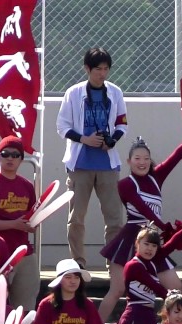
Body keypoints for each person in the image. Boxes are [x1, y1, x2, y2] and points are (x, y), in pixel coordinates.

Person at [99, 133, 182, 321]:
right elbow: (143, 209)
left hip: (151, 241)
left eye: (146, 159)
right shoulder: (125, 184)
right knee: (117, 289)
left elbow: (177, 155)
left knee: (176, 288)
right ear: (128, 161)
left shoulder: (156, 177)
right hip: (131, 240)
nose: (142, 162)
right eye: (137, 159)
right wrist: (165, 228)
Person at [56, 47, 128, 269]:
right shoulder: (74, 92)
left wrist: (112, 140)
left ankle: (113, 262)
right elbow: (62, 126)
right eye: (98, 69)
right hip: (80, 163)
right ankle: (78, 263)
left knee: (114, 217)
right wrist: (84, 139)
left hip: (107, 163)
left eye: (106, 69)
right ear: (87, 68)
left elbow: (122, 123)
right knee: (76, 217)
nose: (102, 74)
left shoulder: (115, 92)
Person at [0, 136, 39, 317]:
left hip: (24, 254)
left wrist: (31, 225)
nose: (10, 158)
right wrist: (14, 224)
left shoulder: (27, 186)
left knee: (25, 309)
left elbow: (32, 218)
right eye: (5, 154)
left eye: (15, 154)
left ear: (21, 159)